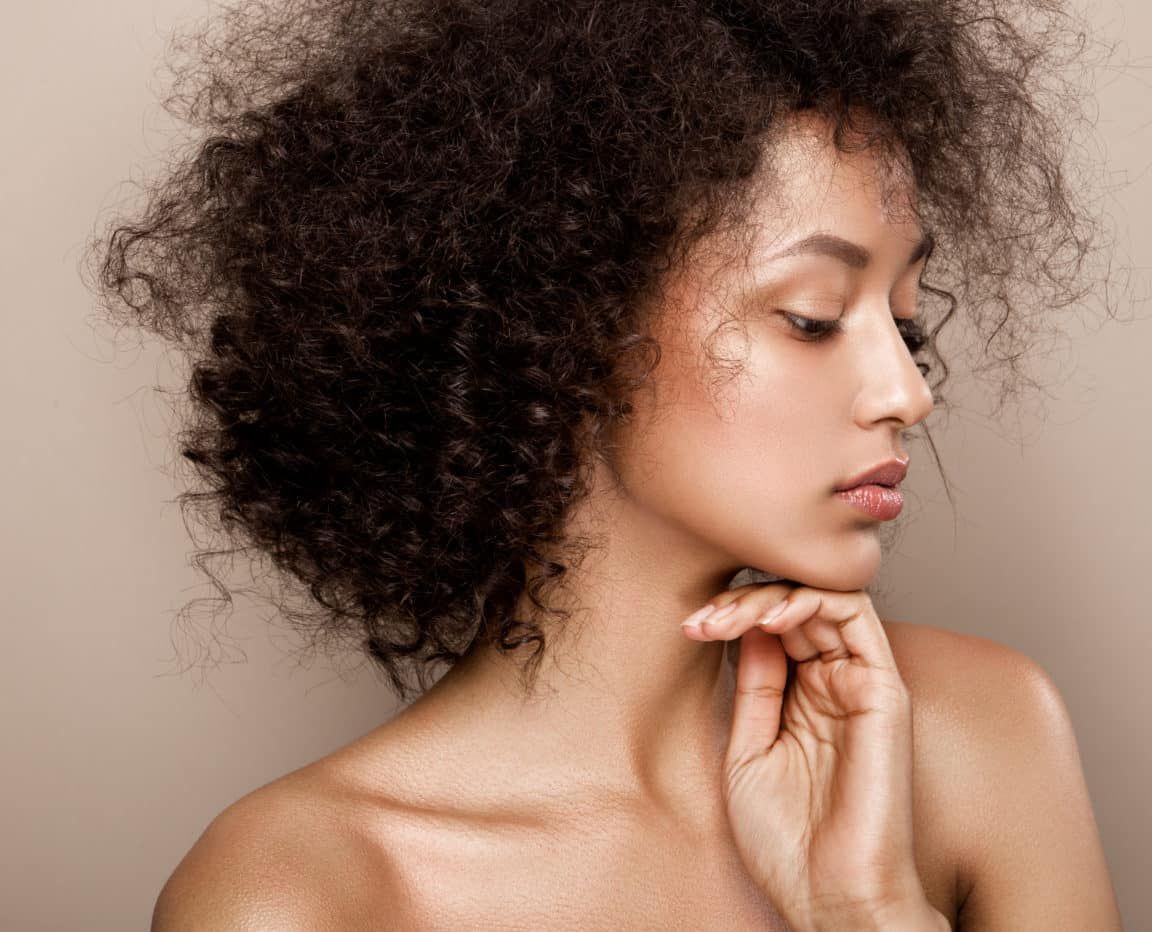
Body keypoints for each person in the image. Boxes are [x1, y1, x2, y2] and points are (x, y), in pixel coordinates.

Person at [87, 0, 1123, 928]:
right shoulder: (308, 890)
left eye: (906, 324)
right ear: (569, 327)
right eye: (812, 318)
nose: (907, 392)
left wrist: (867, 910)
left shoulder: (978, 737)